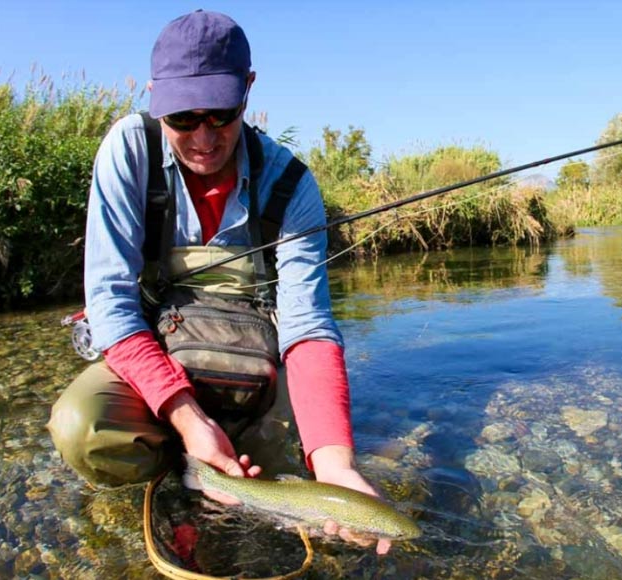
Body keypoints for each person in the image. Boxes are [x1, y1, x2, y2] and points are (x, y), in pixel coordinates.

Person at [48, 9, 391, 554]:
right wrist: (190, 422)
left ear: (248, 90)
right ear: (157, 98)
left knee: (273, 499)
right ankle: (180, 462)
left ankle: (213, 464)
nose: (204, 138)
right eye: (183, 118)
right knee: (81, 427)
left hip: (257, 367)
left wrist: (334, 464)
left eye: (222, 114)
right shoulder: (128, 152)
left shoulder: (292, 185)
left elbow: (308, 328)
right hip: (162, 354)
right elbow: (111, 304)